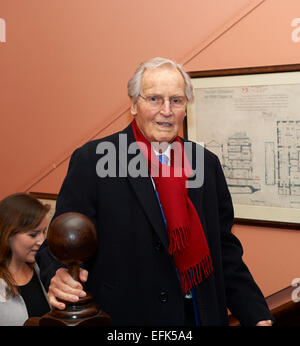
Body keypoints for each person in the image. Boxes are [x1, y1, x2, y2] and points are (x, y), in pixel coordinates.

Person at [36, 57, 274, 326]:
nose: (166, 110)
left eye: (176, 100)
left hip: (198, 316)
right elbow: (59, 241)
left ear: (186, 108)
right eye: (154, 99)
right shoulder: (94, 160)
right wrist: (56, 274)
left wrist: (256, 315)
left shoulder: (205, 163)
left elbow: (224, 251)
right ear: (134, 105)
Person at [0, 193, 51, 326]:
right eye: (33, 234)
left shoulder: (45, 269)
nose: (41, 241)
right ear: (8, 234)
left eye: (43, 232)